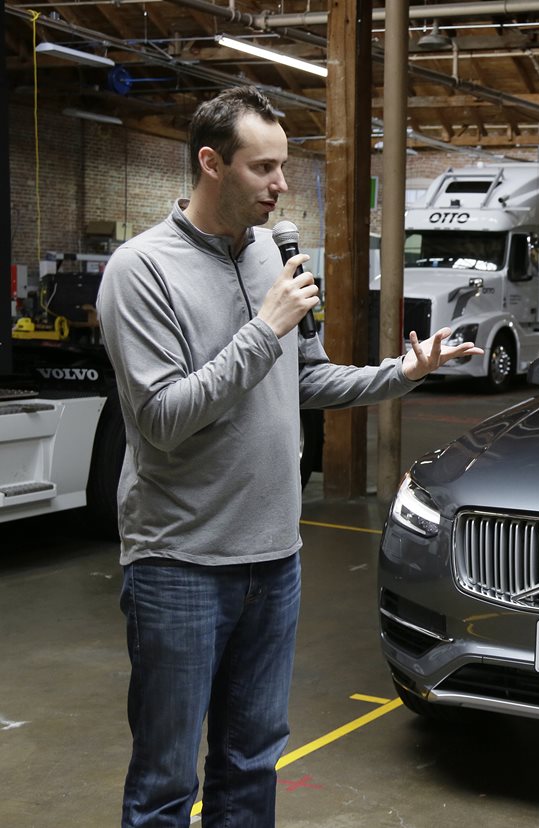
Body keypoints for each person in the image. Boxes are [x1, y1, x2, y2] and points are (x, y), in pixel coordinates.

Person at [95, 86, 483, 827]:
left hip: (274, 558)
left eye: (284, 167)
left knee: (250, 761)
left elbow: (302, 377)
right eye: (262, 168)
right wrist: (264, 329)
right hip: (180, 562)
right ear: (211, 164)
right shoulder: (141, 271)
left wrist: (400, 373)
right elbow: (162, 418)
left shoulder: (273, 255)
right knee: (167, 779)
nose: (281, 185)